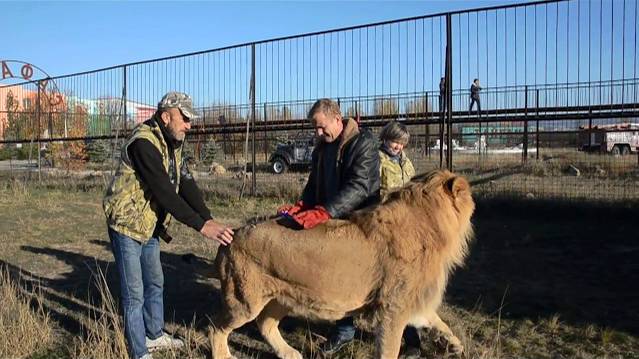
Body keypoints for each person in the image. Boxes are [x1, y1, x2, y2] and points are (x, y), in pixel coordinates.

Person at [103, 91, 234, 359]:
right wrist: (201, 227)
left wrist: (208, 217)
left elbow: (185, 183)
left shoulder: (174, 142)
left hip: (149, 224)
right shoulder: (143, 143)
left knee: (155, 282)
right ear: (166, 117)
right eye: (184, 119)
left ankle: (154, 335)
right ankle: (139, 352)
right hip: (126, 225)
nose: (189, 125)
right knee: (134, 293)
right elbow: (165, 193)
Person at [277, 98, 380, 354]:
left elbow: (359, 187)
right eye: (315, 128)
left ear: (338, 118)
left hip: (361, 223)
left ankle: (407, 332)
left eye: (322, 127)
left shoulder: (363, 143)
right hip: (332, 223)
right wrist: (303, 205)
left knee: (379, 279)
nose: (318, 133)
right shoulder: (322, 148)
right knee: (338, 276)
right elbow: (314, 184)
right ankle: (345, 330)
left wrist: (324, 211)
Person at [378, 121, 415, 200]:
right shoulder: (377, 160)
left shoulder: (406, 162)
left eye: (402, 144)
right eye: (395, 142)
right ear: (385, 139)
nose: (398, 147)